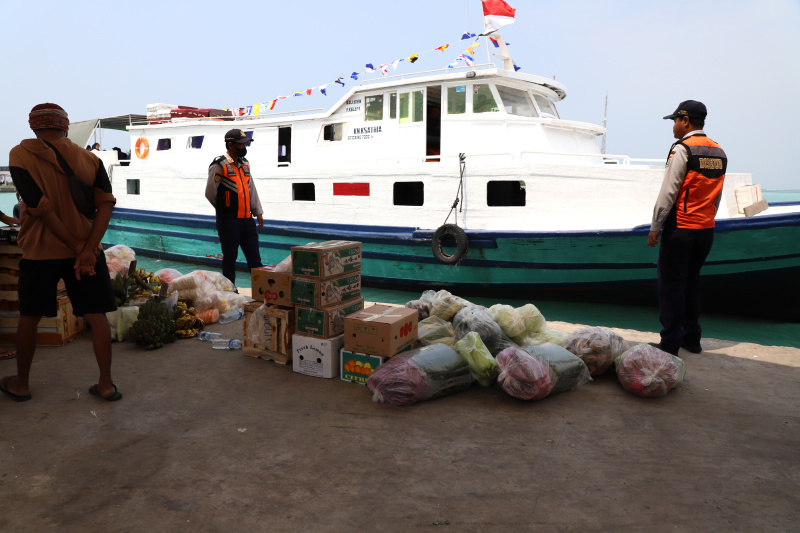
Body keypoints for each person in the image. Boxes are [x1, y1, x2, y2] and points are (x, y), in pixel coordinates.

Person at [1, 103, 120, 403]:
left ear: (33, 126)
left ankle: (21, 384)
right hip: (88, 253)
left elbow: (40, 208)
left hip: (41, 251)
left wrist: (78, 248)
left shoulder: (20, 154)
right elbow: (106, 204)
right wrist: (87, 248)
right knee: (97, 316)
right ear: (65, 126)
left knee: (30, 316)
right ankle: (106, 384)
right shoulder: (90, 159)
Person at [647, 100, 727, 356]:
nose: (673, 126)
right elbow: (716, 196)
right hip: (706, 230)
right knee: (691, 283)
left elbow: (669, 191)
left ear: (686, 121)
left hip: (681, 229)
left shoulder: (683, 149)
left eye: (675, 121)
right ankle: (692, 338)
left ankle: (669, 345)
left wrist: (655, 226)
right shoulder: (718, 151)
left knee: (671, 287)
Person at [205, 128, 264, 287]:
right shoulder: (219, 165)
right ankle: (230, 294)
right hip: (229, 222)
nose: (244, 147)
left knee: (255, 261)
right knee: (230, 259)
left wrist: (258, 212)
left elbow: (251, 188)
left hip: (247, 221)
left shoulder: (245, 164)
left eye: (245, 143)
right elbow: (210, 193)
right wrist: (225, 211)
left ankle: (261, 292)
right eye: (241, 144)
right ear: (231, 145)